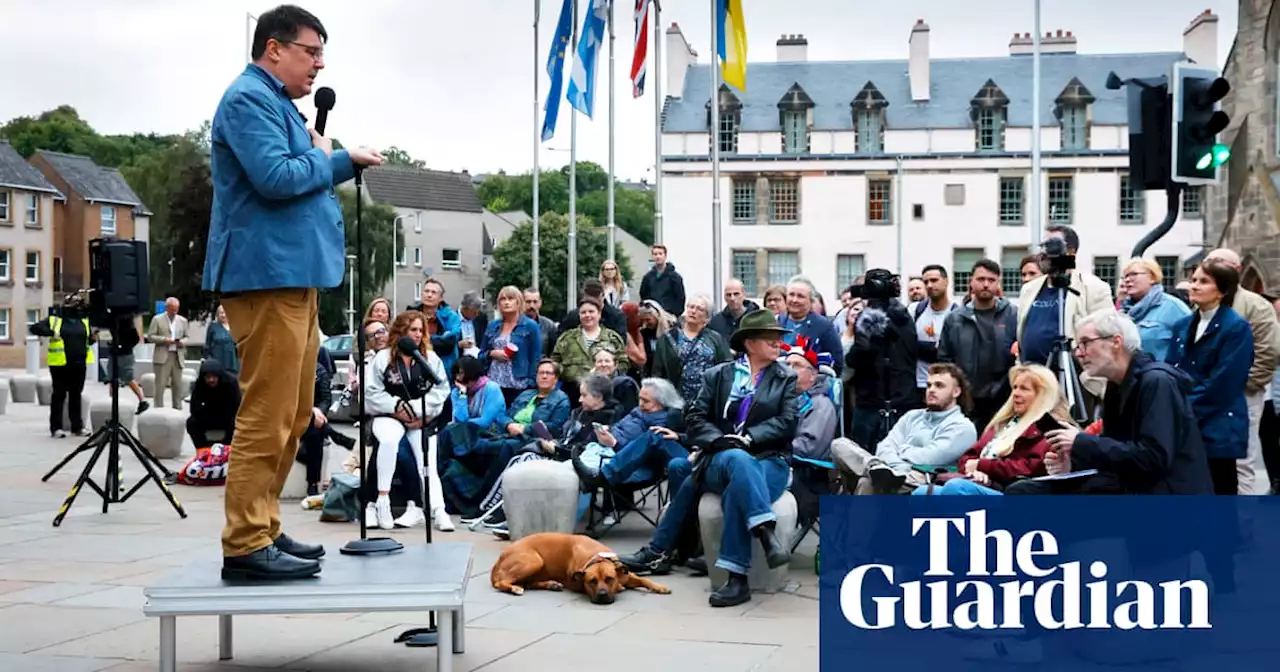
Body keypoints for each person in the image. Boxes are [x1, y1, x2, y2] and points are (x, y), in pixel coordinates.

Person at [204, 4, 386, 580]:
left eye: (321, 54)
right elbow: (277, 178)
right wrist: (335, 160)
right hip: (264, 275)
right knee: (267, 409)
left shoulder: (276, 102)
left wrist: (318, 152)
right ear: (274, 48)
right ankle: (246, 542)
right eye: (311, 52)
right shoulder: (248, 98)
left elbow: (291, 168)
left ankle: (265, 529)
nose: (319, 64)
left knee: (291, 411)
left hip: (289, 275)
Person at [621, 309, 798, 607]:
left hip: (769, 459)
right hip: (719, 457)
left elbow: (788, 421)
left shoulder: (785, 378)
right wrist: (721, 440)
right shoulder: (717, 375)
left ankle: (736, 580)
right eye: (771, 337)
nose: (778, 342)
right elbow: (695, 417)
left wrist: (749, 439)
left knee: (736, 488)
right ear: (750, 343)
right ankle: (765, 532)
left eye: (779, 337)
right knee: (735, 460)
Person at [1018, 310, 1212, 495]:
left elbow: (1153, 459)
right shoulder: (1115, 386)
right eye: (1078, 345)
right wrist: (1072, 464)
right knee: (1024, 490)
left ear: (1116, 341)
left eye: (1085, 343)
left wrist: (1081, 442)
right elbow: (1116, 452)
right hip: (1132, 487)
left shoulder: (1157, 383)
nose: (1078, 353)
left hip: (1166, 497)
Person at [1166, 261, 1255, 494]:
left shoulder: (1236, 327)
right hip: (1185, 421)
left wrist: (1185, 408)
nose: (1194, 286)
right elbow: (1172, 369)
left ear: (1223, 290)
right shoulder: (1182, 325)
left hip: (1217, 424)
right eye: (1194, 280)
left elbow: (1224, 382)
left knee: (1220, 489)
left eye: (1204, 281)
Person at [913, 364, 1071, 495]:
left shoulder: (1050, 427)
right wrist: (976, 472)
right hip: (986, 484)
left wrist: (984, 467)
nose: (1015, 393)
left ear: (1042, 395)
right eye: (1014, 387)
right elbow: (968, 457)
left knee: (956, 489)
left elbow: (1030, 467)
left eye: (1024, 389)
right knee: (922, 493)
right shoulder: (1004, 423)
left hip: (1016, 493)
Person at [831, 363, 977, 494]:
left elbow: (928, 458)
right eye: (929, 385)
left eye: (939, 386)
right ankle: (874, 468)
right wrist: (888, 468)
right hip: (889, 472)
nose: (931, 390)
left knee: (868, 482)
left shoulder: (963, 427)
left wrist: (900, 454)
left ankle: (878, 472)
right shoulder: (912, 416)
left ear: (956, 392)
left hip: (921, 479)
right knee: (839, 444)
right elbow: (884, 447)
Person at [1203, 248, 1280, 494]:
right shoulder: (1204, 304)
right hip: (1209, 394)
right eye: (1208, 262)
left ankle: (1242, 526)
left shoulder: (1255, 305)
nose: (1210, 267)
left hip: (1241, 395)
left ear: (1235, 270)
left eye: (1218, 263)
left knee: (1240, 462)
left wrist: (1246, 385)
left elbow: (1268, 351)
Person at [364, 311, 450, 531]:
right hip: (389, 416)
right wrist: (396, 408)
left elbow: (441, 390)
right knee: (389, 441)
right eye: (413, 329)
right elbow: (371, 392)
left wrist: (420, 412)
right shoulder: (383, 358)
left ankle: (438, 510)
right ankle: (381, 501)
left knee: (427, 460)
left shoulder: (430, 359)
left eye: (421, 330)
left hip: (420, 418)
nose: (418, 334)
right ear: (401, 331)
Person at [1016, 225, 1115, 415]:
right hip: (1033, 382)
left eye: (1050, 246)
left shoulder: (1093, 288)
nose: (1043, 253)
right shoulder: (1030, 289)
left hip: (1074, 382)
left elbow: (1106, 336)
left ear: (1070, 251)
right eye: (1042, 246)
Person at [938, 259, 1018, 432]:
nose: (986, 284)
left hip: (1003, 399)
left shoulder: (1013, 315)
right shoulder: (954, 319)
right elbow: (945, 361)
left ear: (998, 283)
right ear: (971, 282)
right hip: (966, 401)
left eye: (991, 280)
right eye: (981, 279)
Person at [844, 269, 920, 451]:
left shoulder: (872, 319)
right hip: (904, 402)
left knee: (865, 462)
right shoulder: (904, 316)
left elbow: (858, 358)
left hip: (874, 405)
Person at [30, 297, 96, 438]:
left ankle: (77, 427)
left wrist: (93, 338)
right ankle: (56, 428)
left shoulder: (84, 321)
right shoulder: (55, 320)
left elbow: (88, 340)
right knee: (59, 395)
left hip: (79, 362)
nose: (79, 308)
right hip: (60, 363)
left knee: (76, 395)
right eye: (76, 305)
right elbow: (34, 328)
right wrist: (51, 333)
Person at [652, 294, 732, 403]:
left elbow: (727, 368)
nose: (693, 311)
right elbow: (658, 371)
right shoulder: (669, 338)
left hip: (706, 400)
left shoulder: (716, 339)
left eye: (699, 309)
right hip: (676, 400)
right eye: (691, 307)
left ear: (707, 317)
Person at [478, 286, 542, 406]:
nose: (506, 302)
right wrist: (492, 354)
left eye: (511, 298)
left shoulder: (530, 326)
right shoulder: (493, 326)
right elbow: (481, 354)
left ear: (519, 302)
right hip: (494, 382)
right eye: (503, 299)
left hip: (519, 384)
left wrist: (531, 384)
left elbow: (536, 357)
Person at [1119, 257, 1191, 361]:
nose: (1128, 279)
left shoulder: (1174, 308)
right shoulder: (1123, 312)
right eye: (1125, 276)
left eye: (1134, 274)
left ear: (1152, 277)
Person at [779, 277, 844, 374]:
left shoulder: (824, 326)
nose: (794, 300)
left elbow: (837, 361)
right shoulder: (776, 322)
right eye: (791, 295)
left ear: (811, 301)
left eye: (800, 296)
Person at [911, 264, 958, 395]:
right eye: (926, 282)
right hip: (918, 384)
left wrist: (920, 347)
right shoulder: (915, 310)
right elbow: (905, 345)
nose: (929, 285)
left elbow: (953, 353)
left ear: (946, 281)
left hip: (945, 386)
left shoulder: (956, 314)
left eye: (934, 280)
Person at [146, 297, 189, 411]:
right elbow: (150, 336)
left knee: (177, 385)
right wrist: (165, 339)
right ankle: (158, 409)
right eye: (172, 309)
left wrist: (182, 342)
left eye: (177, 309)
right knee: (160, 384)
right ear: (167, 308)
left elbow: (187, 337)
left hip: (177, 356)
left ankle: (177, 408)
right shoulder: (157, 319)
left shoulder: (183, 321)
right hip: (162, 356)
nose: (175, 311)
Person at [187, 359, 241, 448]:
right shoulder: (199, 384)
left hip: (227, 416)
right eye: (208, 377)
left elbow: (237, 405)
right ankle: (203, 449)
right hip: (208, 415)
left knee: (236, 423)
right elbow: (194, 409)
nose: (211, 380)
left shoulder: (231, 382)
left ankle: (227, 448)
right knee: (191, 422)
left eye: (214, 377)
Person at [106, 316, 149, 416]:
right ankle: (111, 402)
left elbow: (135, 339)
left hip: (125, 354)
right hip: (114, 352)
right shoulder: (112, 321)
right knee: (112, 378)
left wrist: (123, 345)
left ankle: (142, 401)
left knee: (128, 378)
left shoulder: (126, 321)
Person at [640, 244, 687, 317]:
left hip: (670, 315)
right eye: (655, 254)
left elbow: (680, 297)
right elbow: (644, 295)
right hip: (653, 315)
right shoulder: (648, 277)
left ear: (665, 255)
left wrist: (675, 313)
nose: (658, 256)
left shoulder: (675, 277)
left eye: (660, 254)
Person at [203, 305, 239, 376]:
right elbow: (207, 346)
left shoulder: (235, 326)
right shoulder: (213, 326)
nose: (224, 315)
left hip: (233, 364)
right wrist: (208, 361)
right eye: (221, 313)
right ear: (217, 314)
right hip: (217, 363)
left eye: (226, 312)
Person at [522, 288, 558, 357]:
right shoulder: (513, 323)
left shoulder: (549, 326)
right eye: (528, 302)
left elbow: (554, 353)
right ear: (521, 302)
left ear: (540, 303)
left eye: (535, 302)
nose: (531, 306)